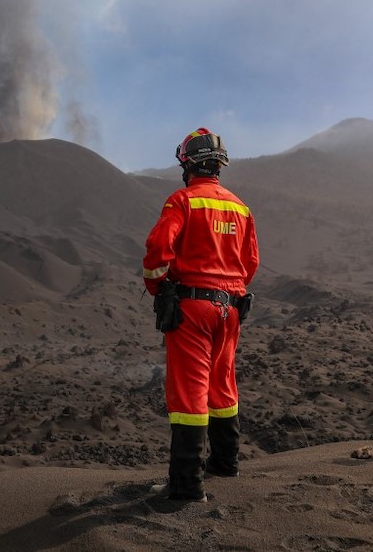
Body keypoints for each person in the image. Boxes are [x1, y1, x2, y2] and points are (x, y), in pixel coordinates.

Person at [143, 127, 260, 501]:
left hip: (192, 308)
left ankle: (187, 486)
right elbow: (250, 262)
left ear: (186, 164)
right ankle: (225, 464)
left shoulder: (182, 202)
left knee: (189, 390)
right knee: (222, 384)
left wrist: (160, 290)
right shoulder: (241, 208)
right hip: (230, 309)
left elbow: (157, 251)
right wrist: (230, 289)